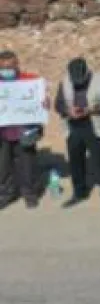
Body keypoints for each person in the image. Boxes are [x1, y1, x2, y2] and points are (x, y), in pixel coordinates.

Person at [55, 57, 100, 208]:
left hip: (94, 125)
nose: (78, 83)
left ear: (87, 72)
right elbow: (59, 104)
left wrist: (91, 109)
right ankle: (79, 192)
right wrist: (68, 110)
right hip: (73, 126)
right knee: (75, 161)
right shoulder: (64, 82)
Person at [0, 50, 44, 210]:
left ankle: (30, 195)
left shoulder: (30, 81)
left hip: (25, 131)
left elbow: (42, 101)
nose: (7, 69)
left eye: (10, 66)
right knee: (3, 167)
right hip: (3, 133)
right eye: (3, 67)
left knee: (28, 165)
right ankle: (6, 194)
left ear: (17, 64)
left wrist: (44, 102)